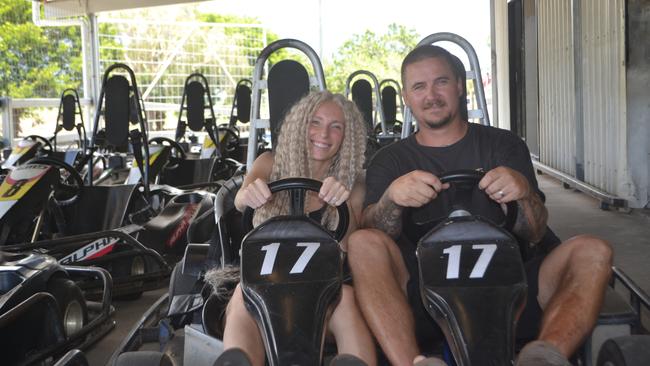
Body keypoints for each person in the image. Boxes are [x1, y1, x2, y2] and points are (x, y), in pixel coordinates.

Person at [346, 45, 613, 366]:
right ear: (406, 97)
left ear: (460, 86)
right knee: (362, 242)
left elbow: (537, 230)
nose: (431, 95)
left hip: (512, 288)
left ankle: (543, 355)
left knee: (594, 250)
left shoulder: (503, 144)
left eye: (441, 82)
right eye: (419, 87)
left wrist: (523, 191)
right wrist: (392, 198)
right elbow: (372, 231)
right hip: (423, 295)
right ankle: (412, 362)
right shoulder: (390, 160)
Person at [213, 90, 376, 366]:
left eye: (336, 127)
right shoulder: (269, 163)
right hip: (265, 284)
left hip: (323, 294)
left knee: (345, 298)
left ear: (346, 137)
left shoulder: (355, 183)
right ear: (300, 125)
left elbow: (349, 249)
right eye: (315, 122)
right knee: (244, 292)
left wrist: (343, 203)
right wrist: (251, 195)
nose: (324, 134)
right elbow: (241, 199)